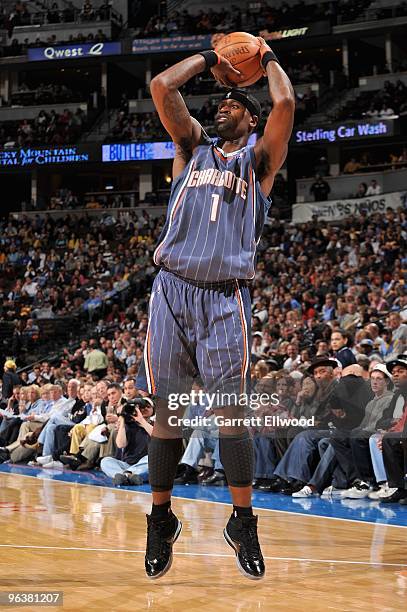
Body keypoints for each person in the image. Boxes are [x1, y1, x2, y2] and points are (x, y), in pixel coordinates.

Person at [136, 38, 295, 580]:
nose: (220, 106)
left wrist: (266, 56)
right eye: (220, 103)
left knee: (231, 415)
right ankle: (161, 520)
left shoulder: (259, 162)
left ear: (249, 118)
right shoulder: (191, 147)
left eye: (231, 103)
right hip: (172, 290)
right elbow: (162, 87)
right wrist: (212, 56)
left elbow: (286, 106)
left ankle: (242, 521)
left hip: (226, 296)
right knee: (168, 416)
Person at [100, 398, 154, 486]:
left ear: (153, 410)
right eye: (141, 407)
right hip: (127, 465)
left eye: (148, 407)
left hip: (144, 465)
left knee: (151, 459)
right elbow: (121, 444)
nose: (144, 409)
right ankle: (127, 476)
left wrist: (141, 420)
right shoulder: (129, 425)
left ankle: (126, 475)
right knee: (105, 461)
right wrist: (122, 420)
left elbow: (157, 436)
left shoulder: (156, 425)